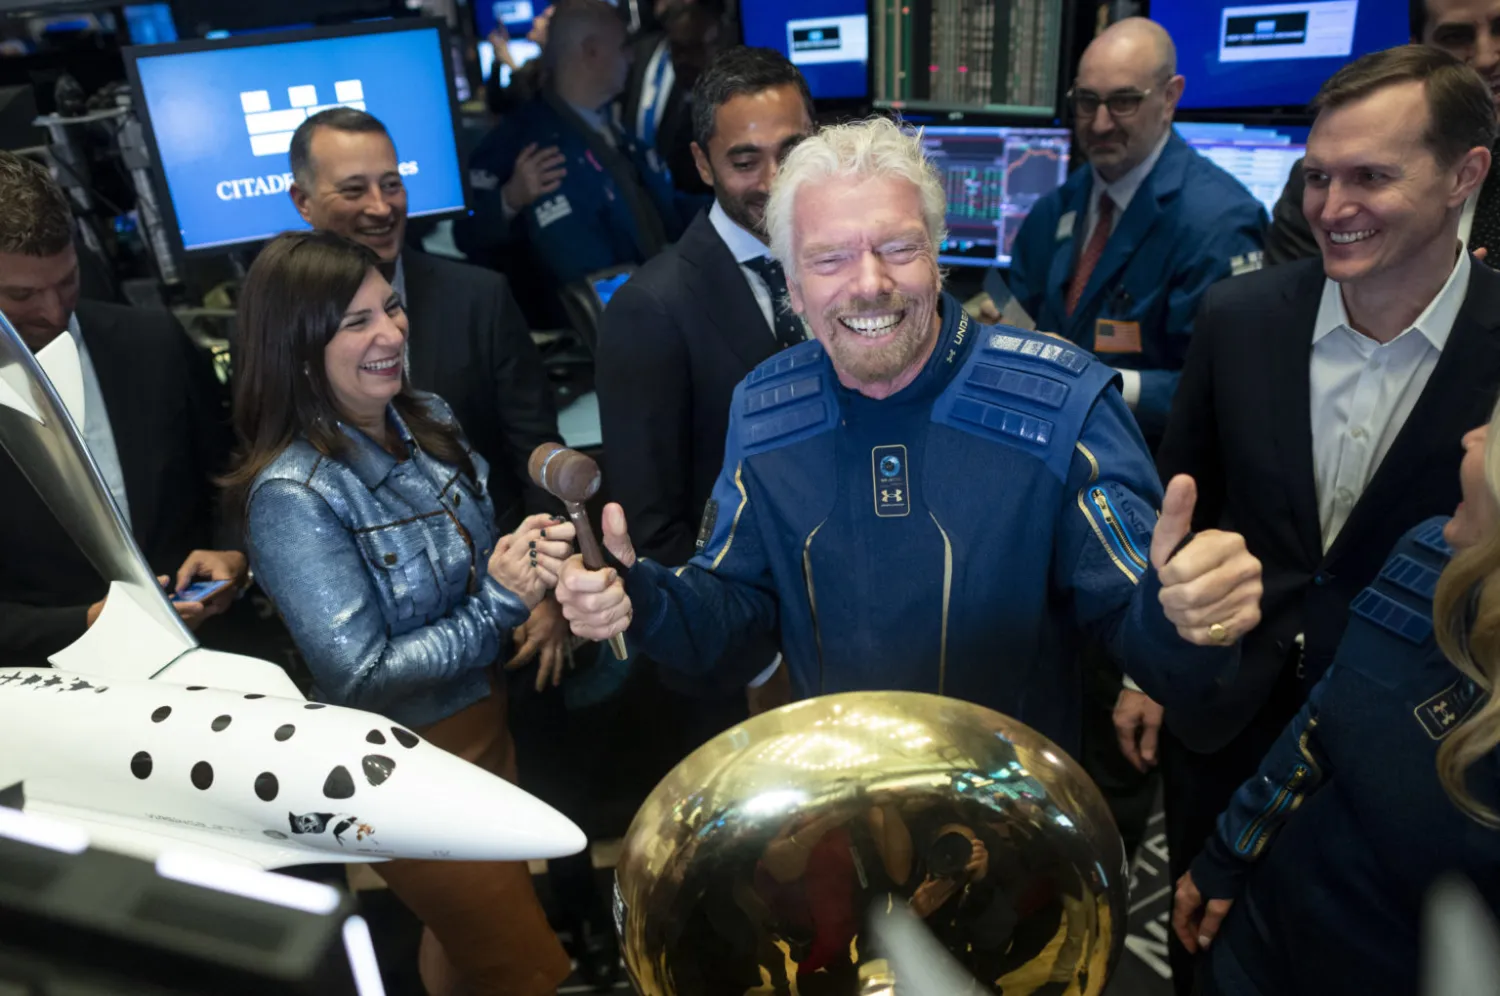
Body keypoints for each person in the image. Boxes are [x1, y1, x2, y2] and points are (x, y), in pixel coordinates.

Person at [551, 117, 1266, 758]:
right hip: (845, 802)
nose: (869, 283)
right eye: (830, 259)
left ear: (936, 258)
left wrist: (1189, 617)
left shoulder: (1062, 402)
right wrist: (640, 596)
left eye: (897, 248)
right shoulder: (764, 408)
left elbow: (1149, 640)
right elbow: (734, 615)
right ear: (793, 287)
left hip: (1015, 813)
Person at [1150, 45, 1500, 993]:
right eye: (1316, 177)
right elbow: (1183, 503)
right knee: (1197, 950)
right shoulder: (1237, 315)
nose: (1331, 205)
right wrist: (1150, 663)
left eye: (1370, 177)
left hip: (1407, 764)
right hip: (1222, 717)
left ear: (1465, 175)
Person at [224, 230, 576, 996]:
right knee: (523, 967)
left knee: (462, 951)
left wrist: (523, 559)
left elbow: (471, 562)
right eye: (357, 322)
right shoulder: (292, 495)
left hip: (486, 724)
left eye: (391, 307)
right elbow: (358, 675)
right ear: (298, 347)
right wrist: (501, 601)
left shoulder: (429, 419)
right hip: (401, 769)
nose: (391, 333)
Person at [1172, 399, 1500, 996]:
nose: (1471, 439)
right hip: (1261, 940)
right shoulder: (1428, 553)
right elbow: (1323, 719)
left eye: (1496, 435)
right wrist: (1230, 850)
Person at [286, 107, 571, 690]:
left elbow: (534, 452)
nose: (380, 206)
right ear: (303, 203)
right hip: (379, 661)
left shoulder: (479, 297)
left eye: (392, 184)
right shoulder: (277, 328)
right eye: (354, 189)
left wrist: (542, 588)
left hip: (513, 630)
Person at [595, 45, 814, 724]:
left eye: (792, 153)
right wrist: (758, 660)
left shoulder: (840, 266)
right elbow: (652, 527)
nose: (775, 181)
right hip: (740, 669)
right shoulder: (650, 307)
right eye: (745, 161)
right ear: (701, 163)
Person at [0, 150, 247, 667]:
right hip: (49, 681)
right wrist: (87, 622)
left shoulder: (154, 342)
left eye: (67, 281)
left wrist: (233, 553)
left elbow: (231, 475)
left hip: (208, 654)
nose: (53, 311)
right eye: (21, 294)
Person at [1004, 17, 1267, 443]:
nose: (1100, 123)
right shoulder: (1061, 204)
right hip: (1044, 447)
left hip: (1146, 460)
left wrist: (1088, 378)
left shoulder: (1220, 223)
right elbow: (1011, 301)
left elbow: (1224, 388)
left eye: (1123, 101)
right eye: (1087, 101)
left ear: (1170, 97)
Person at [458, 0, 704, 291]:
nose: (631, 58)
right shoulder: (522, 143)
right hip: (621, 309)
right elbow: (465, 231)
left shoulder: (613, 128)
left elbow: (667, 209)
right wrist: (509, 199)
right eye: (624, 47)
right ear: (591, 51)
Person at [1266, 0, 1500, 266]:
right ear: (1419, 49)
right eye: (1456, 37)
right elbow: (1292, 288)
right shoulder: (1319, 187)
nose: (1486, 58)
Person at [621, 0, 726, 196]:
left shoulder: (726, 90)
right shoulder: (639, 54)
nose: (687, 59)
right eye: (679, 49)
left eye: (697, 48)